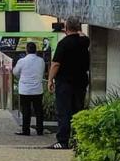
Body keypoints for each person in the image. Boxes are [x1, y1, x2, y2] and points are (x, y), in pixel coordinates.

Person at [48, 17, 90, 149]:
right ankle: (78, 139)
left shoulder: (63, 44)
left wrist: (50, 79)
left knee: (64, 111)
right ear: (79, 28)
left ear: (66, 28)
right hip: (81, 81)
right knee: (78, 110)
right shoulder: (85, 42)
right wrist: (80, 32)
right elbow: (84, 36)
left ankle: (63, 140)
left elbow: (56, 64)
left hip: (65, 82)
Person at [14, 42, 46, 136]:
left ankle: (26, 130)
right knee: (39, 111)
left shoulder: (22, 61)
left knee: (26, 110)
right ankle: (40, 130)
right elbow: (42, 71)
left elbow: (15, 72)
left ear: (26, 50)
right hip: (37, 89)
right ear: (35, 50)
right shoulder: (41, 61)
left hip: (25, 90)